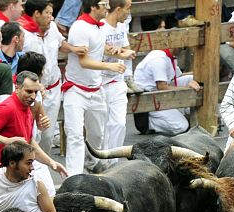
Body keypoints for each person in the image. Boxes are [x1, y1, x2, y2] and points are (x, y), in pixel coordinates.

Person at [63, 0, 128, 176]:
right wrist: (110, 67)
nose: (108, 8)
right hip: (76, 89)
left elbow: (99, 49)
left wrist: (117, 51)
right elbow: (83, 61)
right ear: (93, 7)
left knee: (97, 136)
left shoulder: (99, 27)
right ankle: (74, 176)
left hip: (95, 88)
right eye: (104, 4)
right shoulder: (80, 27)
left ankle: (91, 164)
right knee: (75, 135)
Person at [0, 70, 67, 183]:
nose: (33, 96)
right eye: (29, 91)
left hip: (10, 172)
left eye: (35, 92)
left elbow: (29, 142)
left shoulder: (26, 107)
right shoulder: (8, 107)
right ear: (17, 88)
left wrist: (51, 162)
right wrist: (7, 140)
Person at [21, 0, 84, 157]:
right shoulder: (24, 34)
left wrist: (74, 49)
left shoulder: (53, 27)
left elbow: (60, 44)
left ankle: (43, 167)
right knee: (32, 134)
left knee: (48, 135)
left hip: (53, 88)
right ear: (36, 14)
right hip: (32, 92)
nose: (51, 17)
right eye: (48, 13)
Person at [132, 46, 201, 136]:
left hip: (159, 94)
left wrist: (200, 72)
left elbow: (178, 76)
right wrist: (187, 88)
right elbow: (161, 86)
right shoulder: (159, 59)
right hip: (149, 100)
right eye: (182, 48)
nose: (182, 50)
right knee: (181, 126)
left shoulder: (169, 56)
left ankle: (189, 113)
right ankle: (149, 124)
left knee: (191, 79)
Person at [101, 0, 134, 151]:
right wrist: (120, 52)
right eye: (128, 9)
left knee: (119, 123)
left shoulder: (121, 27)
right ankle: (101, 160)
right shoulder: (101, 27)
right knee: (103, 126)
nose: (129, 12)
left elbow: (129, 52)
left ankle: (114, 158)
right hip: (100, 81)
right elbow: (102, 50)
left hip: (117, 80)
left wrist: (120, 51)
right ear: (118, 9)